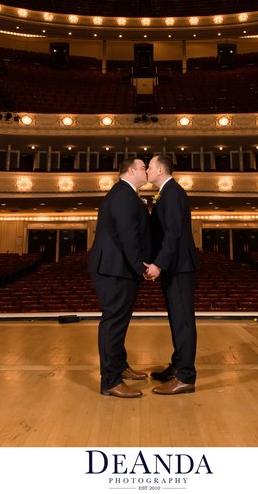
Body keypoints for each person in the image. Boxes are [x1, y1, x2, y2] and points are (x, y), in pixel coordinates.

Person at [88, 158, 152, 398]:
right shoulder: (123, 195)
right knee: (113, 324)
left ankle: (120, 366)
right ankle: (110, 381)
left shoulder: (125, 193)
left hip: (117, 267)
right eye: (143, 168)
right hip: (114, 268)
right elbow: (128, 235)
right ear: (132, 170)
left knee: (118, 323)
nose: (146, 171)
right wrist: (140, 267)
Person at [143, 154, 199, 395]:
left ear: (160, 170)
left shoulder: (173, 193)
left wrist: (159, 265)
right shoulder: (167, 193)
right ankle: (178, 366)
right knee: (177, 320)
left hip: (178, 266)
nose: (146, 170)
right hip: (174, 266)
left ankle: (186, 376)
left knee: (183, 322)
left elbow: (173, 234)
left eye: (149, 167)